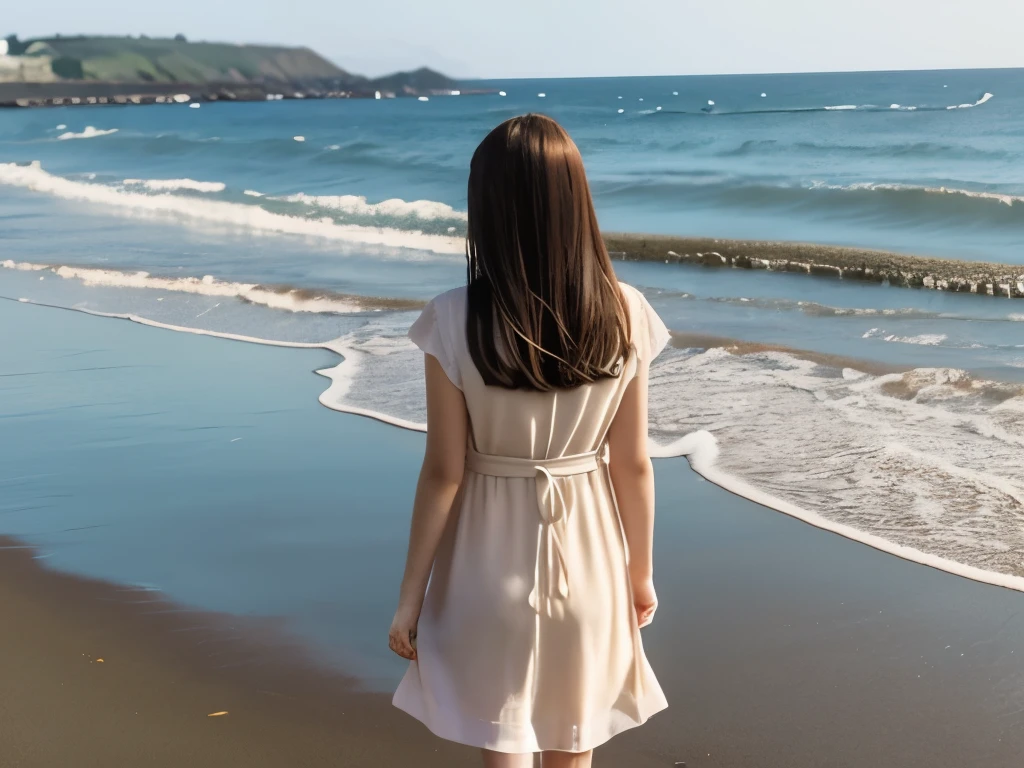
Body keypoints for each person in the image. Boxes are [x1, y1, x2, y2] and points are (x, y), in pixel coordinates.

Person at [388, 113, 669, 768]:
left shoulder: (452, 318)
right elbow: (632, 463)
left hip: (486, 564)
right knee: (573, 742)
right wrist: (640, 573)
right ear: (577, 201)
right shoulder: (626, 310)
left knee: (503, 741)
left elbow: (444, 472)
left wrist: (411, 596)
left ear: (485, 206)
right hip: (591, 555)